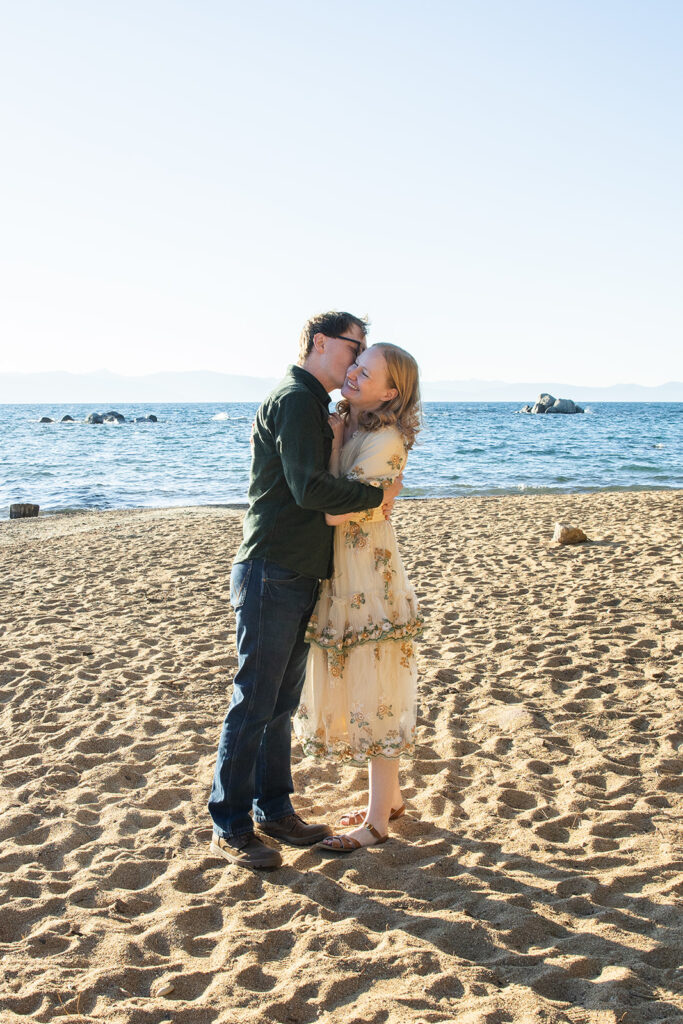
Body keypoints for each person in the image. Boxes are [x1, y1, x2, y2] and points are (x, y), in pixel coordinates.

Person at [208, 312, 404, 870]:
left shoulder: (314, 406)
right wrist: (376, 498)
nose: (358, 358)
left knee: (279, 702)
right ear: (320, 343)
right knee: (254, 700)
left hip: (297, 571)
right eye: (354, 346)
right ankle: (229, 822)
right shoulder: (294, 400)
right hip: (271, 567)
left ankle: (274, 809)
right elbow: (306, 488)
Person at [293, 342, 422, 853]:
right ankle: (388, 800)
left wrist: (337, 445)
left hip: (366, 571)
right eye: (356, 365)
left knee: (378, 688)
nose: (353, 374)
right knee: (369, 680)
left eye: (366, 373)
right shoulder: (353, 425)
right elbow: (336, 493)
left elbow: (333, 511)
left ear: (391, 392)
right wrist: (338, 436)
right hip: (346, 567)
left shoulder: (385, 437)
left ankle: (376, 823)